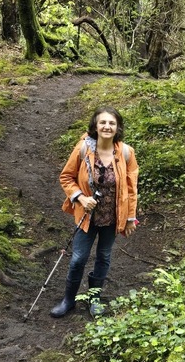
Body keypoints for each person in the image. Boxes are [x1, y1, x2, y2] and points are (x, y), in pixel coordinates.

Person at [51, 106, 138, 318]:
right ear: (95, 126)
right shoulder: (83, 149)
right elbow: (66, 177)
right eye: (103, 122)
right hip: (87, 216)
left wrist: (129, 218)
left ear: (117, 128)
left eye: (111, 123)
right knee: (78, 258)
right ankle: (68, 300)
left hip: (112, 216)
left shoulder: (126, 153)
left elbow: (131, 188)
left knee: (104, 256)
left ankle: (94, 299)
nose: (107, 126)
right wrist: (80, 197)